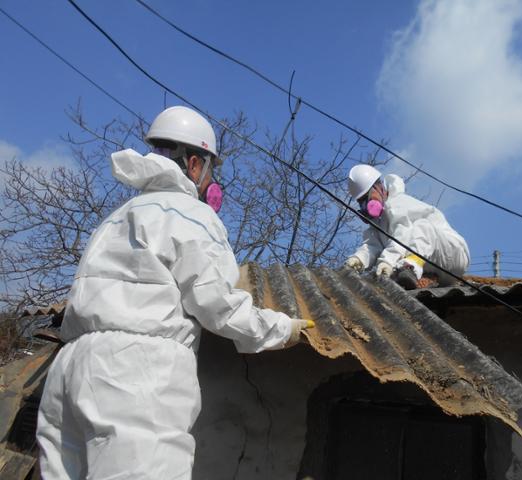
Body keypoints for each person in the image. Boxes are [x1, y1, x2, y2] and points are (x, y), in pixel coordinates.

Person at [36, 106, 314, 479]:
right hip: (135, 375)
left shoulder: (118, 216)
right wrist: (283, 329)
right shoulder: (190, 213)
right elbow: (218, 305)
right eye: (211, 169)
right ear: (196, 164)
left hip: (69, 370)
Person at [344, 164, 470, 290]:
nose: (366, 205)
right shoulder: (378, 223)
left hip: (452, 254)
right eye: (361, 202)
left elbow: (401, 236)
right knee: (390, 274)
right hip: (437, 269)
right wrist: (357, 260)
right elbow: (372, 246)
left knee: (422, 227)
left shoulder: (398, 204)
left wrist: (387, 261)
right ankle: (420, 276)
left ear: (379, 187)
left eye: (367, 198)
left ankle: (410, 267)